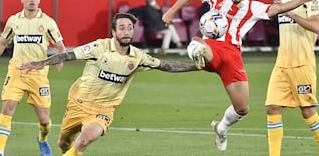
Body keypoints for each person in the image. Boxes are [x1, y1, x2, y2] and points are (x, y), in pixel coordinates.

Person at [162, 0, 319, 152]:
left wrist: (301, 0)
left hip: (233, 55)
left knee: (242, 108)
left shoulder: (253, 7)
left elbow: (278, 8)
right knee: (198, 43)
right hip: (213, 47)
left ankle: (221, 128)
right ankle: (198, 52)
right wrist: (171, 13)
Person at [19, 12, 198, 156]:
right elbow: (68, 55)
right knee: (64, 144)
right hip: (78, 105)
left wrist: (198, 67)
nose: (127, 31)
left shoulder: (138, 57)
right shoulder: (99, 48)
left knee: (83, 141)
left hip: (103, 111)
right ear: (113, 32)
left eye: (130, 28)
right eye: (122, 28)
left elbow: (167, 65)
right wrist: (40, 63)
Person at [0, 0, 66, 156]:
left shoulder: (48, 22)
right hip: (16, 72)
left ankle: (42, 140)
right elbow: (2, 43)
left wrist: (58, 59)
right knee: (7, 109)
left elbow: (60, 47)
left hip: (38, 76)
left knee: (44, 121)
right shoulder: (14, 21)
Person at [265, 0, 319, 156]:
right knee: (272, 107)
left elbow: (316, 26)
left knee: (308, 111)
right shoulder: (284, 0)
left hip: (302, 64)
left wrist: (291, 13)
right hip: (281, 65)